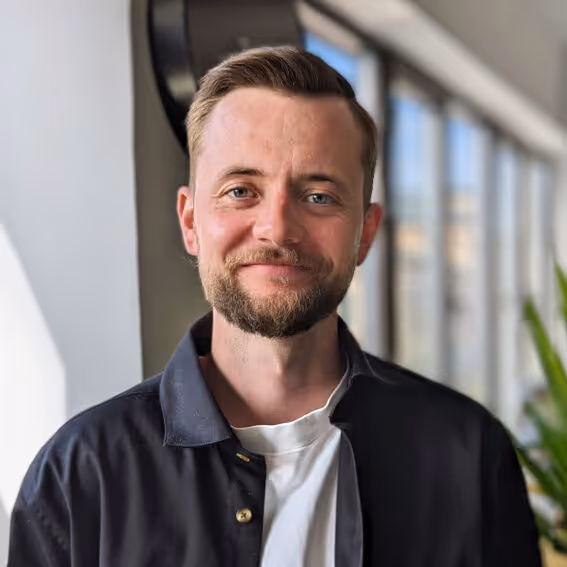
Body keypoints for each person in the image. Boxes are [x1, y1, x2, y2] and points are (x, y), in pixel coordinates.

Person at [8, 46, 541, 567]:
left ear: (365, 233)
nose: (277, 228)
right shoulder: (80, 476)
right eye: (241, 191)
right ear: (191, 222)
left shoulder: (469, 456)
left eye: (319, 196)